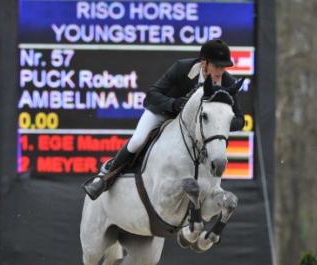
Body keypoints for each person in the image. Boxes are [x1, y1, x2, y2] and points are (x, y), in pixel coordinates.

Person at [83, 39, 244, 200]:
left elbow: (239, 120)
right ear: (204, 63)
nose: (220, 71)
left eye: (224, 67)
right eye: (217, 66)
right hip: (164, 112)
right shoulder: (182, 68)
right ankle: (105, 178)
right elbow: (152, 94)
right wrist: (173, 104)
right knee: (137, 141)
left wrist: (220, 122)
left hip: (193, 125)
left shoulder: (227, 83)